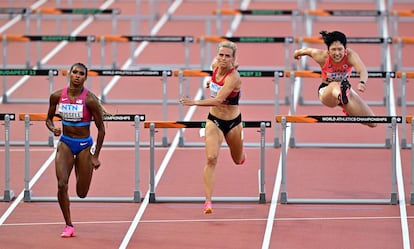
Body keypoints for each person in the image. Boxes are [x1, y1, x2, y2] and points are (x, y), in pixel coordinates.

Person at [179, 41, 246, 214]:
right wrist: (211, 83)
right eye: (221, 55)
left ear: (233, 58)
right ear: (217, 56)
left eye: (227, 56)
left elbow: (218, 100)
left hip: (232, 122)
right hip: (214, 120)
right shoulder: (215, 66)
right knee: (211, 158)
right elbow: (216, 86)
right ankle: (208, 201)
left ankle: (241, 152)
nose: (223, 59)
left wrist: (194, 101)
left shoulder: (234, 77)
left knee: (237, 160)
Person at [45, 62, 106, 237]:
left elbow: (102, 130)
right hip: (65, 142)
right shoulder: (57, 96)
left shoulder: (90, 100)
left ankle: (84, 169)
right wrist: (53, 128)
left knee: (81, 193)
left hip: (84, 146)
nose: (77, 76)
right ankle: (68, 225)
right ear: (69, 74)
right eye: (75, 72)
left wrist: (95, 155)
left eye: (81, 73)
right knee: (61, 184)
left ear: (85, 78)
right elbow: (48, 119)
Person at [293, 30, 376, 128]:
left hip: (346, 91)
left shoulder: (350, 56)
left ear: (345, 49)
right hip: (327, 91)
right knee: (334, 85)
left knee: (372, 122)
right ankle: (341, 96)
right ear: (328, 50)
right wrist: (297, 53)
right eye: (333, 49)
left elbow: (362, 70)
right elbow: (308, 51)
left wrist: (362, 82)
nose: (337, 53)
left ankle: (345, 99)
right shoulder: (322, 56)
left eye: (340, 49)